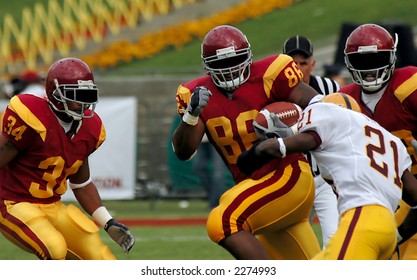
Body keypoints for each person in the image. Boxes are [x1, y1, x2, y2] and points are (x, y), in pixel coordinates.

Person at [172, 25, 321, 260]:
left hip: (288, 176)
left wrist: (292, 128)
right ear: (207, 66)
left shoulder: (272, 73)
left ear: (249, 57)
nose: (230, 71)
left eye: (236, 61)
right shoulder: (196, 94)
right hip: (257, 190)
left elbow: (320, 106)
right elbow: (182, 151)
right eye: (221, 65)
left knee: (223, 220)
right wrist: (191, 115)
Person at [237, 92, 417, 259]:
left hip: (363, 216)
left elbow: (296, 143)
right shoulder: (389, 140)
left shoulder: (328, 114)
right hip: (385, 226)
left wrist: (254, 154)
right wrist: (397, 234)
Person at [0, 57, 135, 260]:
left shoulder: (91, 129)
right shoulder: (31, 114)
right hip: (13, 203)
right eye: (77, 95)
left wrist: (108, 222)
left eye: (88, 95)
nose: (84, 102)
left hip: (53, 206)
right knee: (55, 248)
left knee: (101, 258)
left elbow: (81, 183)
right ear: (55, 94)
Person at [338, 23, 417, 259]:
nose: (370, 69)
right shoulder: (344, 100)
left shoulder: (409, 85)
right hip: (381, 193)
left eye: (377, 59)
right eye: (362, 61)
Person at [283, 35, 339, 247]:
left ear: (312, 64)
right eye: (292, 63)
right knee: (293, 245)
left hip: (325, 178)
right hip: (292, 179)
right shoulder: (272, 90)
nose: (297, 69)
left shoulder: (329, 88)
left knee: (335, 240)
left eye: (303, 63)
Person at [193, 133, 231, 210]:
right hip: (202, 138)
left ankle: (215, 203)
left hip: (218, 138)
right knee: (198, 167)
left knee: (218, 173)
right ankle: (215, 197)